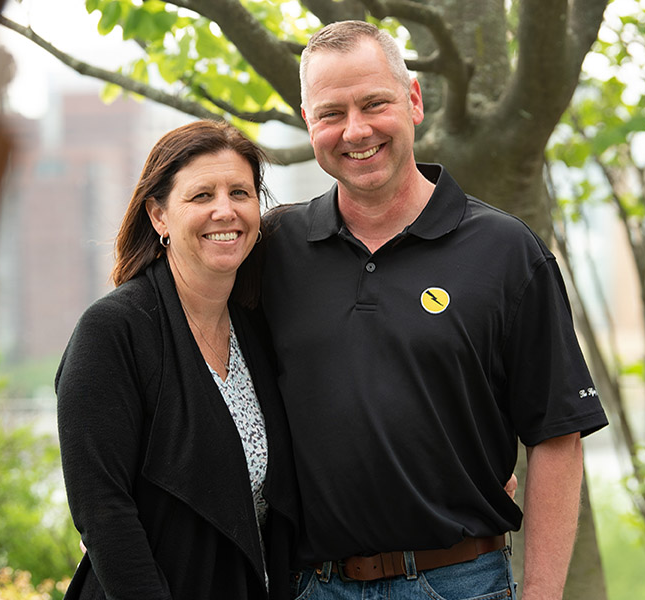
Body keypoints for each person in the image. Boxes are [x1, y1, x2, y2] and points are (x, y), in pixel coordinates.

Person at [261, 21, 608, 599]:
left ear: (414, 101)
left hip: (460, 583)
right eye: (331, 113)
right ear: (308, 123)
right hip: (313, 586)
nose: (356, 130)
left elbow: (557, 436)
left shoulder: (505, 251)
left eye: (375, 103)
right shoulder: (274, 251)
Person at [55, 120, 298, 600]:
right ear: (159, 216)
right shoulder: (112, 332)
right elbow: (103, 512)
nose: (225, 210)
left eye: (240, 193)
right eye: (201, 196)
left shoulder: (256, 328)